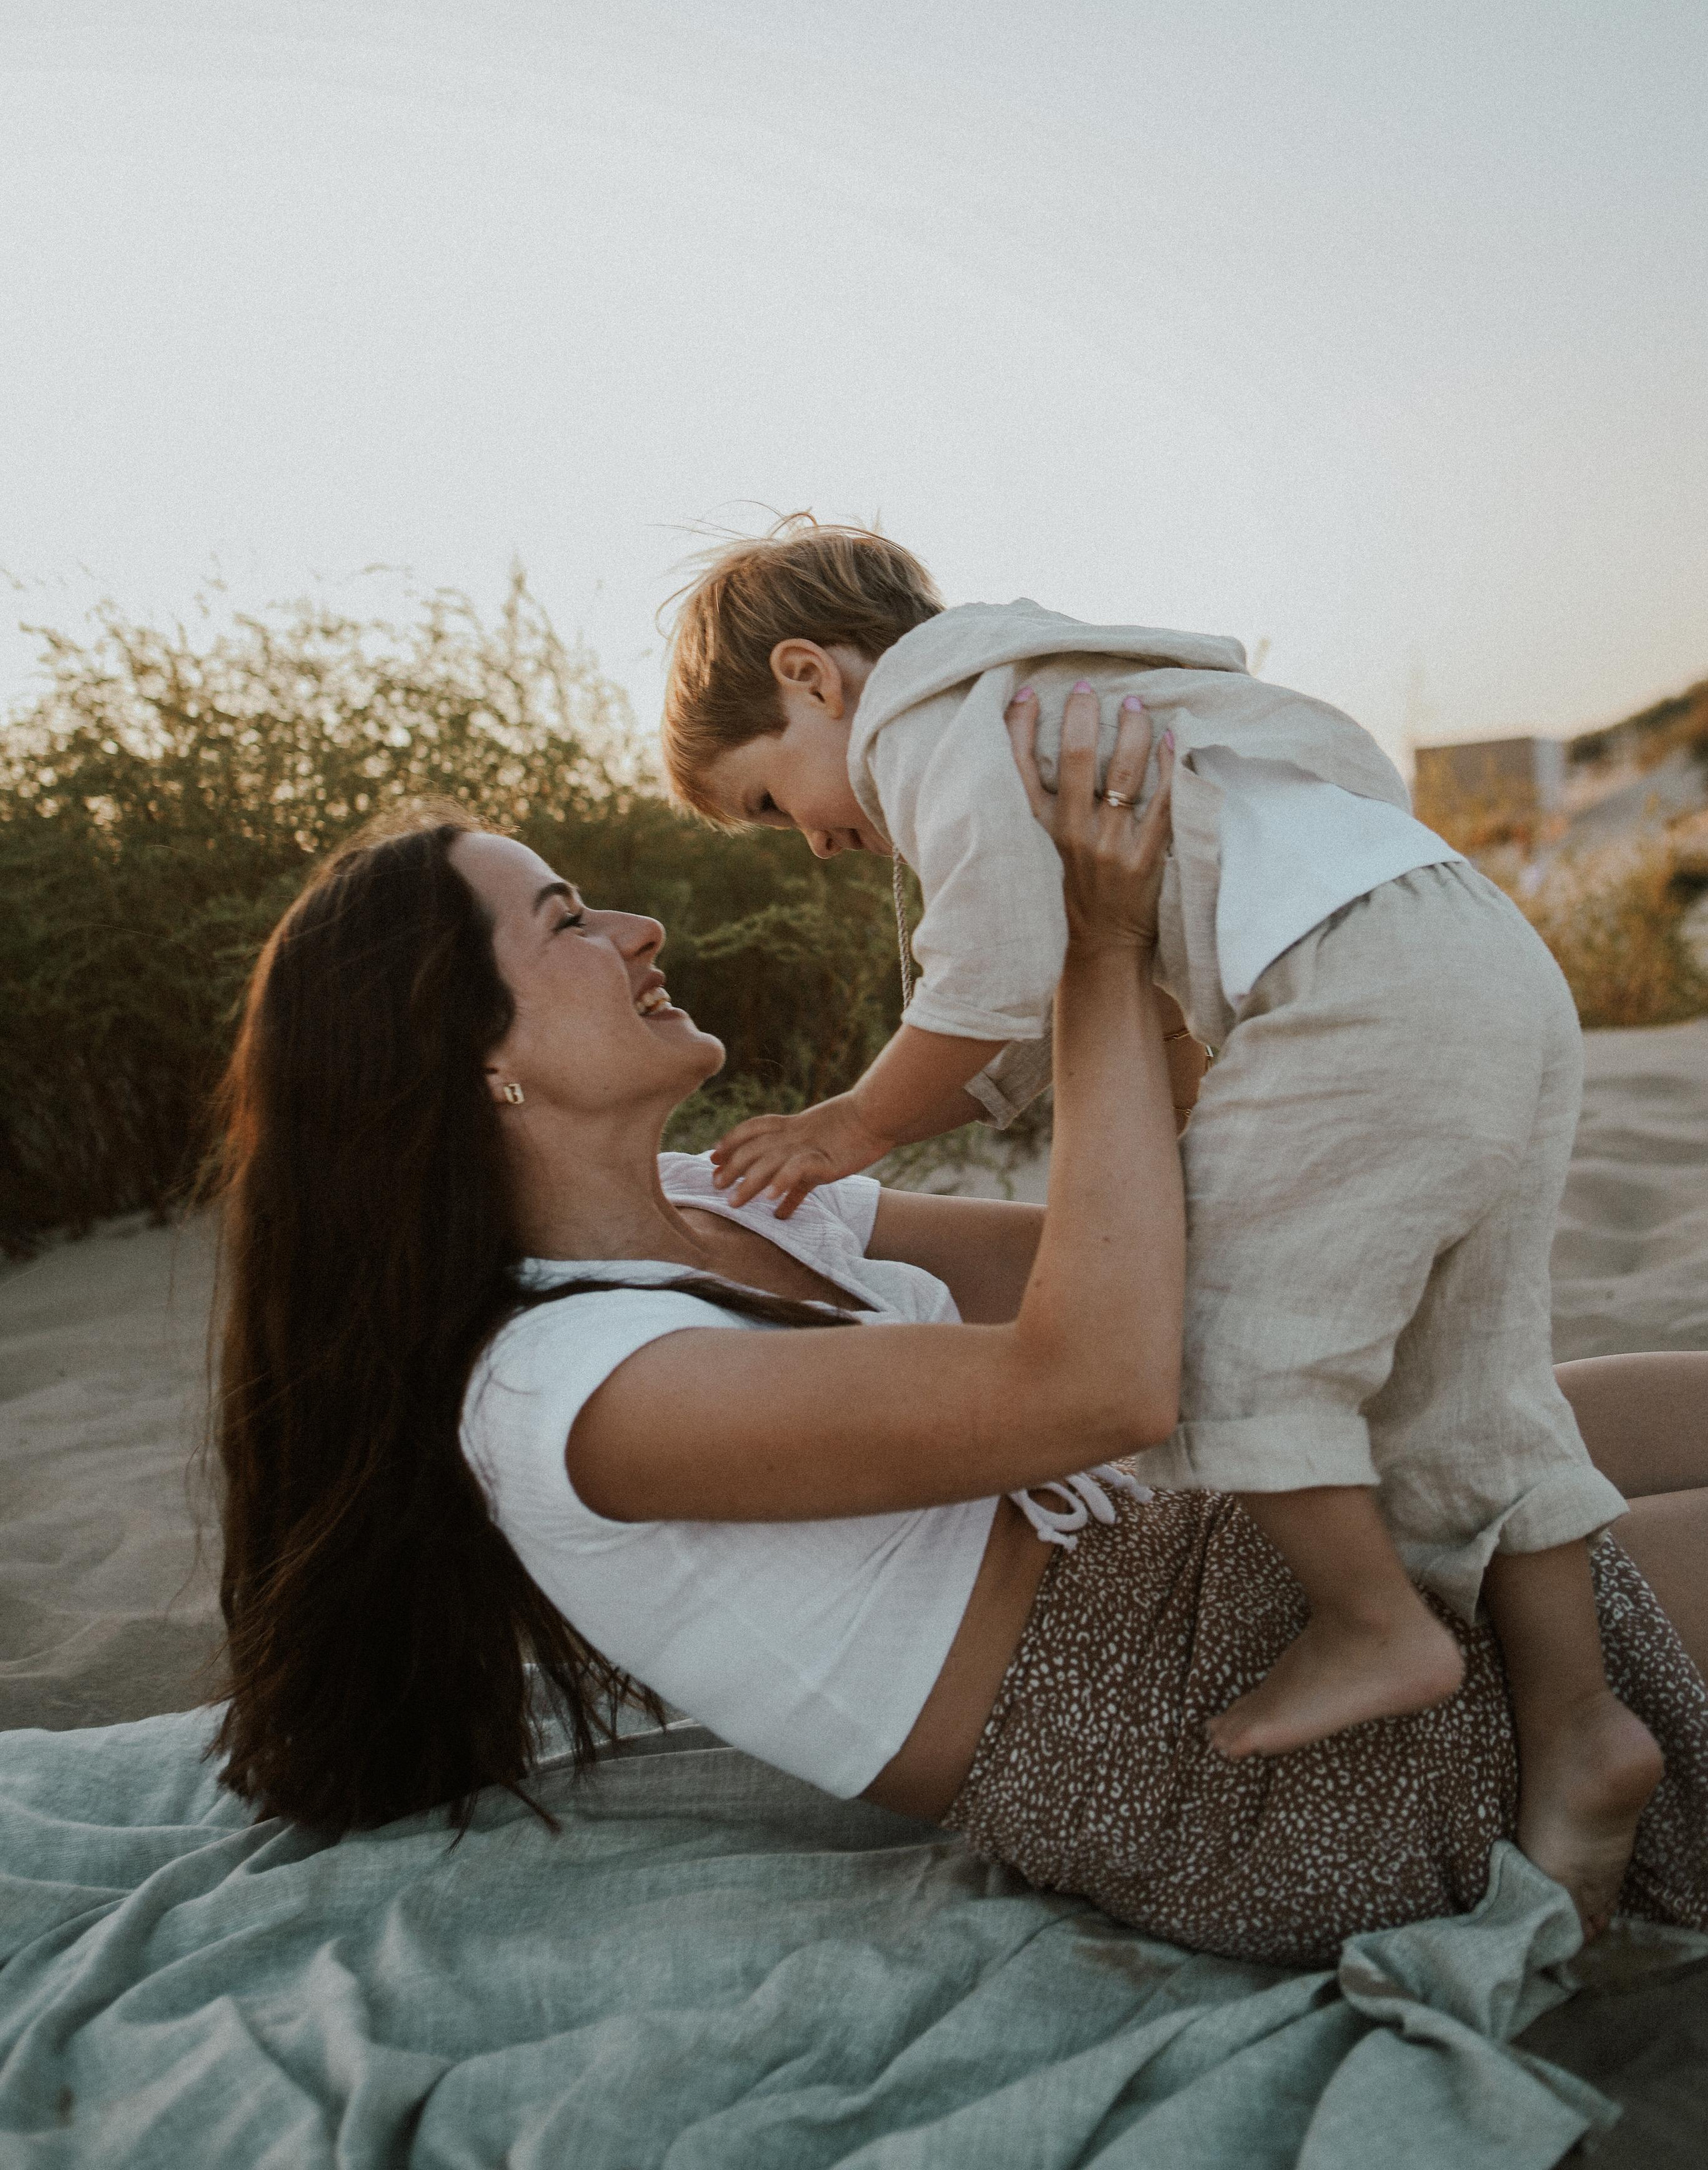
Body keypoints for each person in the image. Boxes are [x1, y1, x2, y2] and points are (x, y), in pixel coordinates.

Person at [207, 701, 1708, 1963]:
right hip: (1206, 1756)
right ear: (472, 1060)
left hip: (1228, 1566)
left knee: (1537, 1423)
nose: (637, 923)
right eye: (566, 921)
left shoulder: (720, 1199)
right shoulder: (565, 1391)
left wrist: (1175, 934)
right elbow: (1099, 1379)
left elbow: (1154, 1272)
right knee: (1602, 1550)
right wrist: (1089, 958)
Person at [658, 518, 1663, 1923]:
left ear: (812, 678)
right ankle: (1581, 1733)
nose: (814, 843)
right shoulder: (1085, 686)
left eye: (769, 802)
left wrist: (855, 1123)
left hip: (1351, 1001)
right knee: (1465, 1391)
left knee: (1221, 1333)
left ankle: (1372, 1622)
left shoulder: (931, 724)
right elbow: (1023, 1038)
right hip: (1477, 959)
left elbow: (991, 967)